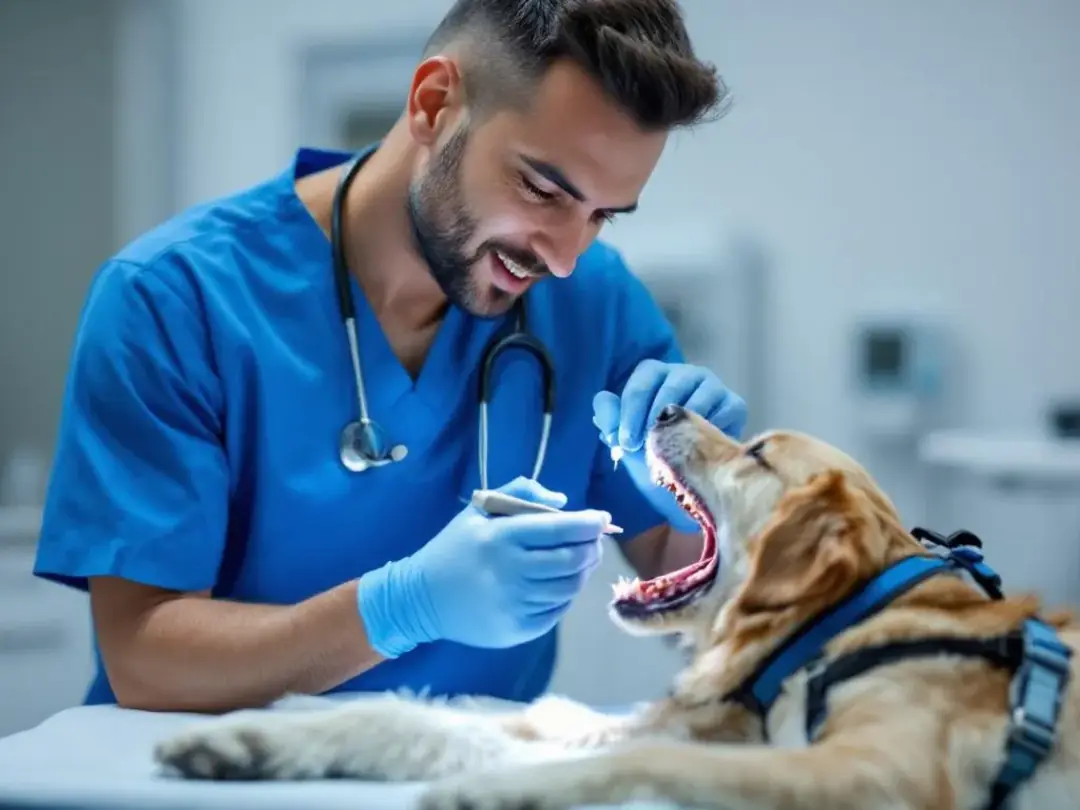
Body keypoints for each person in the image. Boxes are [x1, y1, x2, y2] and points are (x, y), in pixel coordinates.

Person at [33, 0, 747, 714]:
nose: (563, 258)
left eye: (601, 215)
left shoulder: (597, 305)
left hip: (468, 781)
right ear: (434, 104)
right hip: (213, 780)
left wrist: (705, 503)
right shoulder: (173, 299)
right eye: (542, 189)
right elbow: (145, 660)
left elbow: (680, 572)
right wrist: (400, 609)